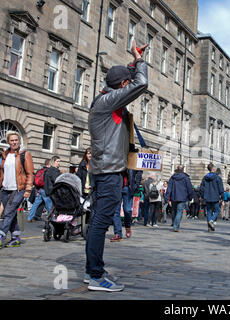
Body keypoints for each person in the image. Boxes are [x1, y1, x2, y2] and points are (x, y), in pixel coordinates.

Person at [84, 40, 148, 292]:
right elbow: (140, 84)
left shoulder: (103, 98)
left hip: (104, 171)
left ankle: (92, 271)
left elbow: (126, 80)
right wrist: (140, 64)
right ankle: (97, 275)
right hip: (109, 172)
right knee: (100, 223)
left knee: (98, 222)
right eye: (125, 85)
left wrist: (134, 61)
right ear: (121, 86)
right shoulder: (108, 101)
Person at [0, 131, 34, 248]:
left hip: (18, 189)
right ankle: (16, 238)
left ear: (19, 141)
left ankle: (1, 236)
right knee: (11, 214)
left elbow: (30, 173)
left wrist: (28, 189)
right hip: (5, 189)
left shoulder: (25, 154)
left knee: (8, 213)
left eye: (16, 140)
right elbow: (2, 172)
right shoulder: (5, 154)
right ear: (8, 142)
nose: (14, 142)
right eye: (11, 140)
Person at [111, 169, 142, 241]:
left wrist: (136, 184)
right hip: (117, 186)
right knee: (116, 211)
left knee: (127, 210)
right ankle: (118, 233)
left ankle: (128, 226)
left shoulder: (132, 159)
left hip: (128, 187)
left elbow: (139, 171)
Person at [164, 165, 195, 232]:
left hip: (174, 197)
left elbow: (169, 188)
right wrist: (190, 197)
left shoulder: (173, 177)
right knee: (179, 212)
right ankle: (176, 226)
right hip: (183, 197)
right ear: (183, 170)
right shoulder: (186, 178)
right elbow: (189, 188)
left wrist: (167, 197)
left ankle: (174, 224)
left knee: (174, 211)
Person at [200, 163, 224, 232]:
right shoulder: (217, 178)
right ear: (213, 168)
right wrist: (222, 196)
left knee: (209, 211)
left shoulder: (205, 177)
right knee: (217, 210)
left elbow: (202, 188)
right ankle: (212, 220)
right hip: (215, 197)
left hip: (207, 197)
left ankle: (209, 228)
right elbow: (221, 188)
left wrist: (202, 196)